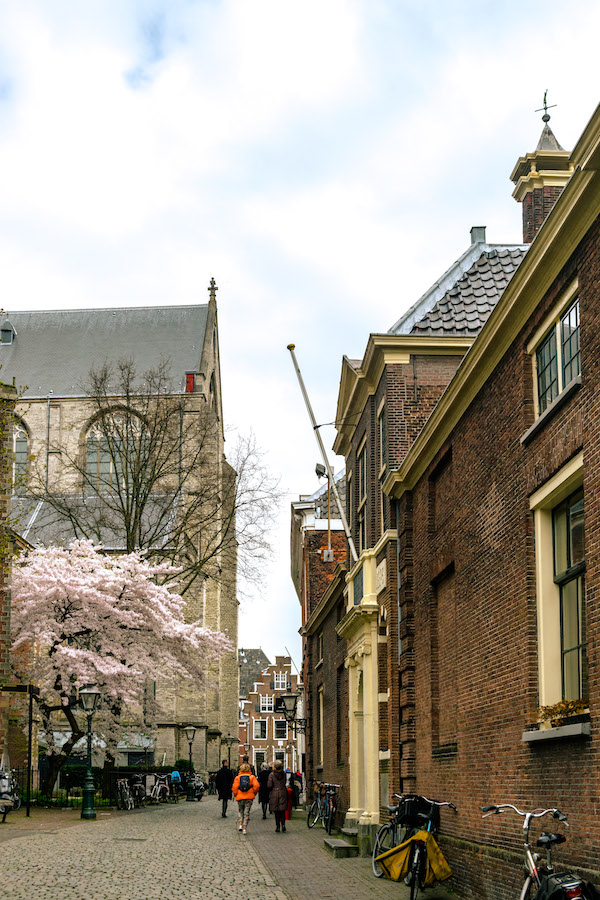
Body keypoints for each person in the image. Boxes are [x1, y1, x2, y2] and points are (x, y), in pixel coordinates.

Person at [232, 763, 259, 834]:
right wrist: (253, 793)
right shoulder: (252, 777)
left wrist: (236, 794)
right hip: (249, 797)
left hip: (240, 797)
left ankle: (240, 825)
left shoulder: (237, 778)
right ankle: (244, 828)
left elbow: (234, 788)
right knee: (247, 813)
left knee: (240, 811)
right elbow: (257, 786)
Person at [267, 759, 289, 833]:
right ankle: (283, 825)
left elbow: (269, 785)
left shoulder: (271, 775)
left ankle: (277, 826)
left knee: (276, 811)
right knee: (282, 810)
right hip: (283, 792)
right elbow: (285, 782)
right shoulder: (284, 774)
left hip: (274, 793)